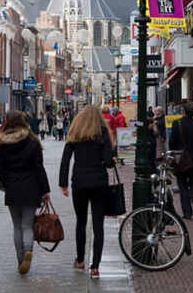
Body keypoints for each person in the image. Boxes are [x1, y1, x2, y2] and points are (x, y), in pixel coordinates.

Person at [59, 105, 115, 279]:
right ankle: (95, 267)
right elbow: (108, 162)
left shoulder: (75, 133)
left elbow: (65, 160)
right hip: (99, 183)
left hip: (80, 182)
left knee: (81, 222)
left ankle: (80, 260)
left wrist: (63, 183)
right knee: (98, 225)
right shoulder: (103, 134)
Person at [0, 111, 50, 275]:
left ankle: (20, 261)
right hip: (31, 185)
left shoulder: (2, 142)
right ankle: (28, 250)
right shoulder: (32, 140)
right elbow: (39, 168)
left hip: (13, 186)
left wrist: (7, 181)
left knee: (17, 226)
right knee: (27, 225)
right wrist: (45, 190)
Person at [167, 102, 193, 219]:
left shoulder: (177, 123)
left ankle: (187, 212)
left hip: (181, 159)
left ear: (183, 111)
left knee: (182, 184)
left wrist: (175, 152)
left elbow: (172, 142)